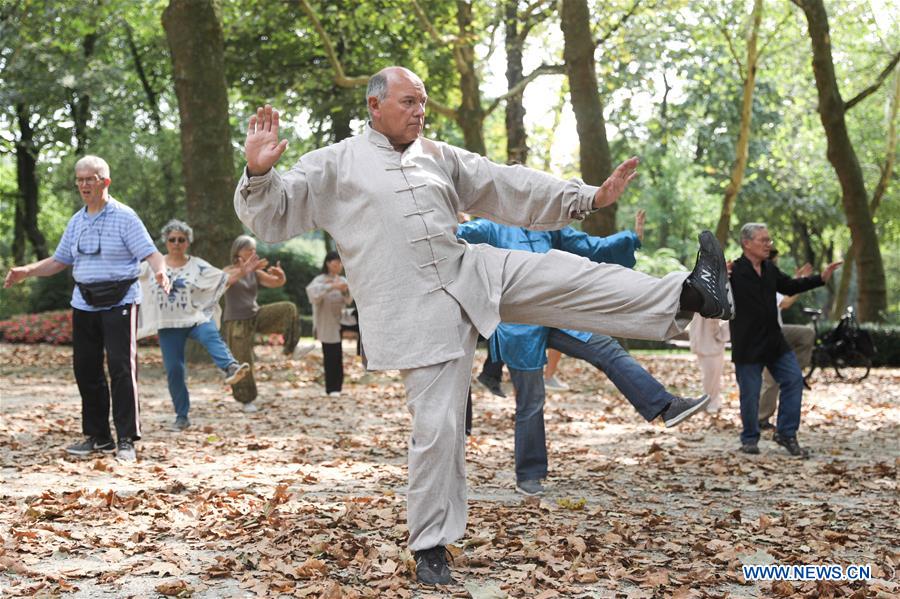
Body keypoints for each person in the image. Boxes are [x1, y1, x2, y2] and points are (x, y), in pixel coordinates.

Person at [233, 66, 732, 585]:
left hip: (469, 269)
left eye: (423, 102)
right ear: (374, 106)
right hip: (414, 311)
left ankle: (692, 294)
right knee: (439, 429)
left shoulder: (438, 155)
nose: (419, 111)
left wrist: (588, 197)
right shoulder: (335, 164)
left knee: (568, 274)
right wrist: (259, 173)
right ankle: (430, 548)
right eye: (408, 102)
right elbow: (273, 217)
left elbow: (507, 184)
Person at [457, 214, 709, 496]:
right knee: (531, 400)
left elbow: (591, 246)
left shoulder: (548, 226)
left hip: (558, 312)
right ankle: (529, 474)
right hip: (520, 326)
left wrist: (630, 238)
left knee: (607, 349)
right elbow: (452, 236)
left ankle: (665, 406)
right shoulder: (490, 228)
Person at [3, 155, 170, 462]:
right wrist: (27, 270)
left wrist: (160, 271)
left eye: (89, 179)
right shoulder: (77, 221)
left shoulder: (125, 217)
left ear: (104, 181)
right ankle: (99, 437)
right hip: (84, 303)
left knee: (121, 367)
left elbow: (152, 253)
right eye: (79, 180)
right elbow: (59, 261)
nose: (83, 185)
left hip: (120, 301)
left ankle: (126, 439)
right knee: (86, 368)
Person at [730, 223, 840, 458]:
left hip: (774, 341)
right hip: (747, 344)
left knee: (793, 380)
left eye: (769, 240)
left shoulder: (770, 269)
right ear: (747, 243)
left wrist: (820, 278)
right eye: (763, 240)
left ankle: (786, 433)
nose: (769, 244)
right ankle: (749, 438)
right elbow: (712, 295)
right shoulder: (733, 271)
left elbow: (790, 286)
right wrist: (718, 274)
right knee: (750, 394)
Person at [137, 220, 251, 431]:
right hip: (168, 325)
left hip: (194, 317)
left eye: (181, 239)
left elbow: (221, 279)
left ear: (188, 242)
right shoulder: (153, 264)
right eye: (172, 239)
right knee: (174, 371)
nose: (177, 243)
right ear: (166, 241)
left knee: (210, 333)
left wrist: (242, 272)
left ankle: (230, 367)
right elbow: (130, 277)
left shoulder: (197, 265)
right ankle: (182, 416)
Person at [220, 235, 312, 413]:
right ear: (238, 251)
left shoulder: (255, 272)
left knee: (288, 308)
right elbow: (225, 281)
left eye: (255, 250)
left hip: (256, 315)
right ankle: (246, 400)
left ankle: (292, 348)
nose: (254, 253)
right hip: (236, 321)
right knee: (243, 362)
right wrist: (243, 270)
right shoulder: (228, 270)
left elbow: (275, 283)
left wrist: (281, 276)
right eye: (249, 249)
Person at [757, 249, 816, 430]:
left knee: (806, 334)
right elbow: (786, 302)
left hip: (777, 332)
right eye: (775, 263)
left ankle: (793, 372)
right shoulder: (761, 281)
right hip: (766, 334)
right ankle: (759, 419)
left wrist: (797, 281)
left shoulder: (771, 281)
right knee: (770, 380)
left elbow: (785, 297)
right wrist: (800, 281)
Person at [305, 251, 353, 396]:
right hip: (326, 322)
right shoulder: (319, 280)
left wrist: (344, 290)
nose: (338, 266)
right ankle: (331, 387)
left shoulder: (343, 280)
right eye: (335, 263)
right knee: (330, 354)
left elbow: (349, 300)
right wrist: (331, 287)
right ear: (328, 263)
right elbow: (312, 296)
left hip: (339, 320)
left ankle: (337, 387)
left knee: (338, 354)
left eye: (340, 263)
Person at [689, 313, 730, 414]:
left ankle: (712, 401)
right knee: (710, 375)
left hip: (710, 342)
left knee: (713, 375)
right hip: (707, 342)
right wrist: (721, 335)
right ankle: (710, 402)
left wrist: (721, 334)